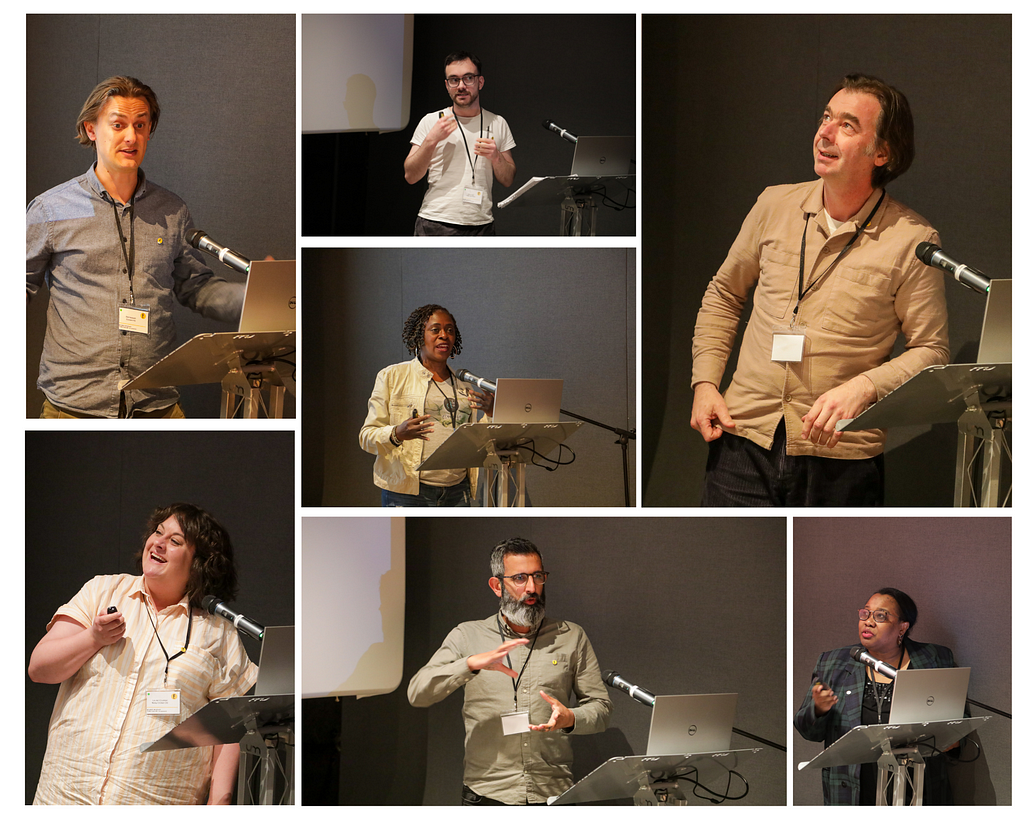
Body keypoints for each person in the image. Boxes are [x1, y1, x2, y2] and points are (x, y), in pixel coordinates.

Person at [690, 74, 949, 506]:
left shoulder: (912, 239)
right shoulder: (773, 204)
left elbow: (932, 349)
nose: (825, 132)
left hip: (840, 457)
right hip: (742, 440)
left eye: (848, 125)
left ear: (882, 152)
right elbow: (723, 294)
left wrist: (865, 387)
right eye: (826, 117)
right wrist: (704, 383)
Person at [26, 76, 246, 418]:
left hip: (157, 403)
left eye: (141, 125)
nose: (131, 136)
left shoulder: (172, 210)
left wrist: (253, 295)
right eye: (118, 124)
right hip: (75, 407)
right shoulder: (51, 209)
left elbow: (197, 288)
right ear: (91, 129)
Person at [28, 503, 259, 804]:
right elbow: (39, 669)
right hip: (67, 795)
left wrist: (221, 802)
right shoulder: (103, 591)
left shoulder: (217, 632)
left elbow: (228, 730)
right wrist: (93, 637)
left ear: (199, 562)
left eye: (175, 541)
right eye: (158, 532)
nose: (158, 543)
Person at [408, 538, 612, 805]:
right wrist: (468, 665)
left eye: (538, 576)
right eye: (519, 578)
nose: (532, 588)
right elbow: (418, 693)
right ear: (497, 586)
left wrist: (571, 718)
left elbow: (601, 708)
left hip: (552, 794)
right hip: (488, 795)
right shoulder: (468, 635)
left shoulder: (571, 635)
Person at [794, 588, 963, 805]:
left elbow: (957, 718)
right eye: (865, 614)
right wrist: (818, 709)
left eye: (880, 616)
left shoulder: (934, 658)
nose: (868, 622)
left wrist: (952, 737)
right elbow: (807, 730)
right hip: (854, 788)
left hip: (919, 786)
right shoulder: (833, 662)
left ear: (903, 627)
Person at [359, 303, 494, 507]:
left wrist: (492, 413)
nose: (444, 335)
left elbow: (479, 443)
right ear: (419, 336)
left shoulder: (465, 385)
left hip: (458, 490)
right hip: (407, 491)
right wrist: (396, 434)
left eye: (450, 330)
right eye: (435, 329)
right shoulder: (392, 376)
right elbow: (366, 437)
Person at [404, 52, 516, 236]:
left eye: (468, 78)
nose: (461, 86)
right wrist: (431, 140)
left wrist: (496, 156)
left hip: (482, 224)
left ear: (480, 82)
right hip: (435, 222)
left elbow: (508, 179)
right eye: (454, 80)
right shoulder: (432, 121)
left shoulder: (497, 122)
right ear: (447, 85)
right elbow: (410, 175)